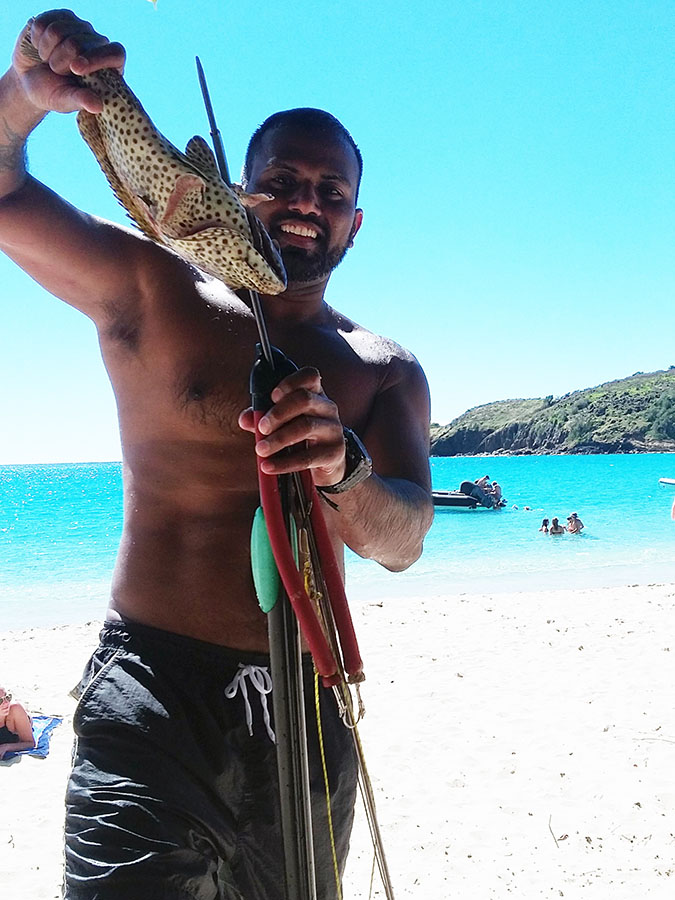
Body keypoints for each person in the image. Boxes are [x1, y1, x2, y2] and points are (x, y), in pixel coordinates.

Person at [0, 10, 433, 900]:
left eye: (330, 191)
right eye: (279, 181)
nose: (305, 202)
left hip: (307, 705)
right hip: (152, 690)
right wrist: (23, 98)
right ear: (236, 191)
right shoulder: (154, 292)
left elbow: (401, 541)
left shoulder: (384, 371)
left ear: (356, 223)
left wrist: (340, 469)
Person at [0, 686, 35, 759]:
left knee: (17, 708)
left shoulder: (15, 710)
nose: (6, 703)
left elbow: (30, 743)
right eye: (0, 701)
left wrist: (6, 747)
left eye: (8, 697)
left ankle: (26, 712)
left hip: (17, 719)